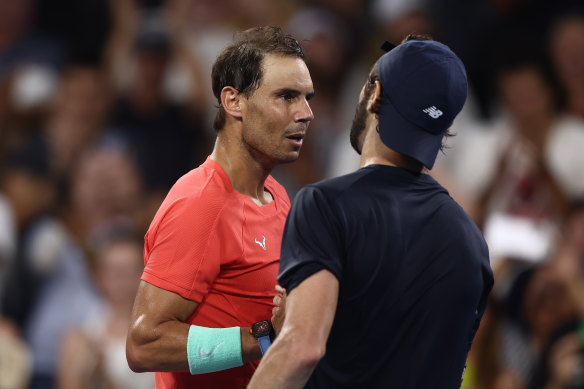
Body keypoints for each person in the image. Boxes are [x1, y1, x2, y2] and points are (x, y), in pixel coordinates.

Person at [248, 35, 494, 389]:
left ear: (375, 94)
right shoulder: (473, 243)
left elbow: (301, 350)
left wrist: (285, 333)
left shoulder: (325, 206)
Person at [125, 26, 314, 389]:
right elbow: (143, 345)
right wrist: (262, 336)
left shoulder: (278, 194)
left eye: (307, 97)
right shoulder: (199, 204)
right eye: (286, 96)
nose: (306, 113)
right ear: (233, 102)